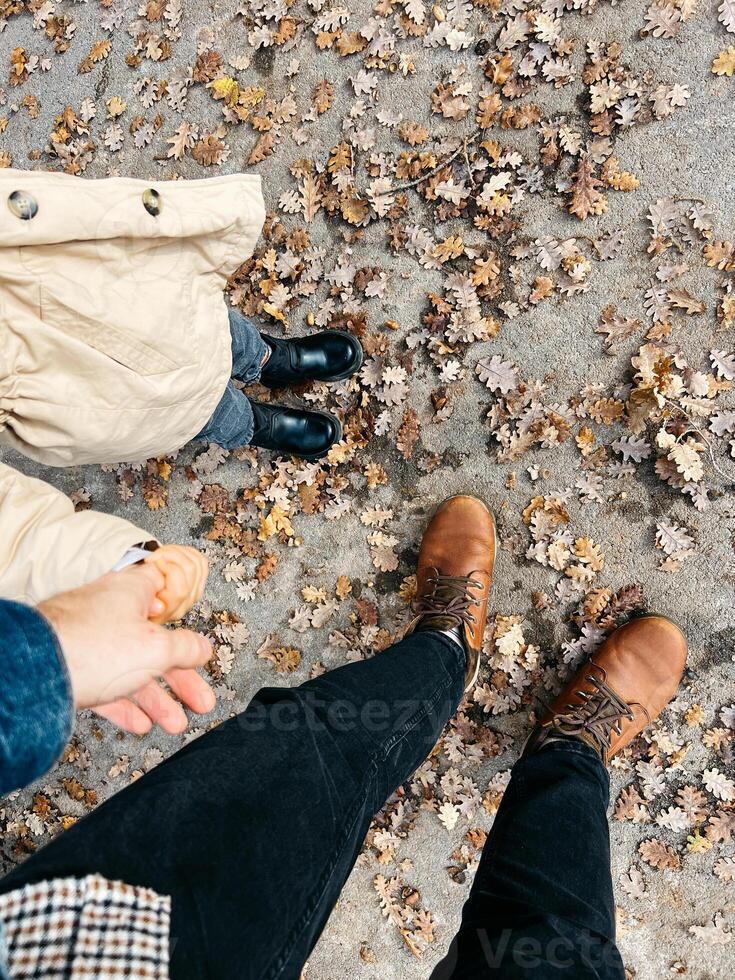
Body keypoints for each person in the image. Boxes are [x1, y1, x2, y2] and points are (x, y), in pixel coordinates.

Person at [0, 496, 687, 979]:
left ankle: (444, 652)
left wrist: (37, 665)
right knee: (556, 945)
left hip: (66, 950)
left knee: (291, 758)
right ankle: (569, 751)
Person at [0, 167, 363, 606]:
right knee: (165, 406)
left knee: (182, 315)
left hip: (36, 268)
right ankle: (252, 424)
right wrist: (113, 564)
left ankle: (267, 360)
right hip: (41, 380)